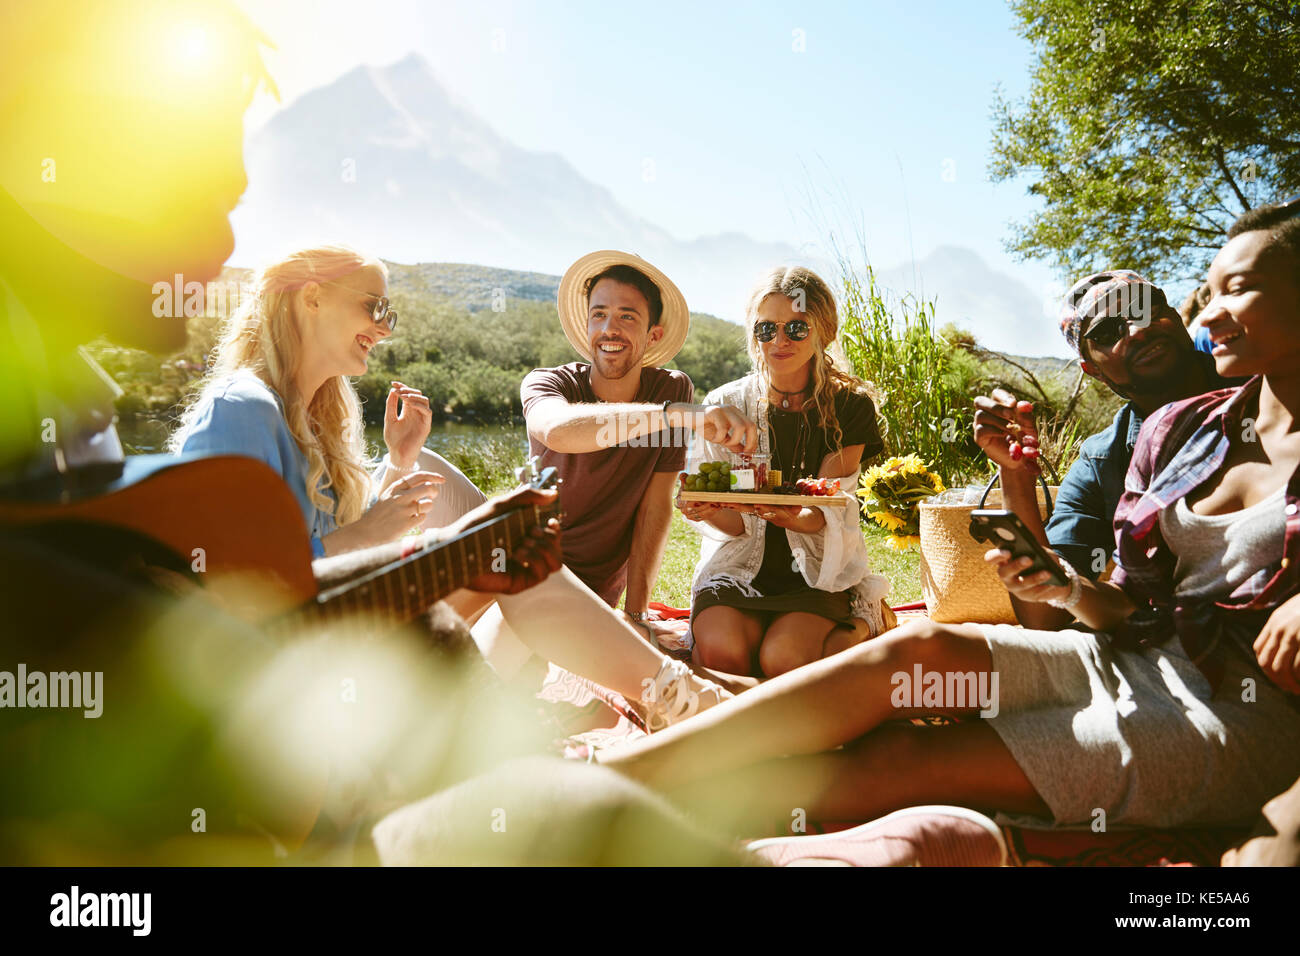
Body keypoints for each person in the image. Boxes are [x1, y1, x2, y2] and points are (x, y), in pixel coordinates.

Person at [591, 203, 1300, 843]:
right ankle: (614, 778)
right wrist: (1053, 564)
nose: (1197, 318)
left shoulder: (850, 404)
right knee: (919, 655)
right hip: (1129, 657)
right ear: (1090, 363)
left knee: (905, 756)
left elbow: (828, 507)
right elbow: (1105, 610)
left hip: (1235, 710)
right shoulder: (1175, 433)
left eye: (1162, 307)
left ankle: (642, 813)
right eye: (1110, 329)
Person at [170, 245, 727, 731]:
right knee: (512, 551)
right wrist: (368, 532)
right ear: (311, 298)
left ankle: (662, 702)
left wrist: (398, 463)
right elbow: (224, 589)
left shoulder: (310, 422)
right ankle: (691, 705)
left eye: (388, 312)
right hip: (299, 678)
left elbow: (332, 553)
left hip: (346, 645)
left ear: (651, 333)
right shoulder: (242, 409)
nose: (386, 327)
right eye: (375, 307)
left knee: (512, 555)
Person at [974, 269, 1239, 630]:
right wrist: (1014, 471)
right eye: (1106, 333)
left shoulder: (1270, 387)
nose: (1137, 329)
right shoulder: (1103, 461)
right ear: (1093, 370)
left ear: (1176, 316)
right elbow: (1047, 614)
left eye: (1144, 308)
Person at [519, 250, 757, 629]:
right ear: (586, 326)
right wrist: (679, 414)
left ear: (653, 335)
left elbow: (654, 507)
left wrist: (636, 614)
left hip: (580, 587)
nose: (609, 329)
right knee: (431, 472)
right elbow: (558, 431)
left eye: (626, 316)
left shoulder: (671, 387)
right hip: (521, 558)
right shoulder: (550, 383)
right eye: (599, 314)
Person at [680, 266, 889, 678]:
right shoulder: (725, 404)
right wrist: (706, 508)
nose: (779, 341)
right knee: (724, 653)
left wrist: (797, 517)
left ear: (823, 331)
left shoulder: (851, 407)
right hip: (738, 567)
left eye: (796, 328)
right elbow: (735, 525)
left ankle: (861, 622)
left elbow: (830, 507)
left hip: (813, 571)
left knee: (784, 661)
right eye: (766, 329)